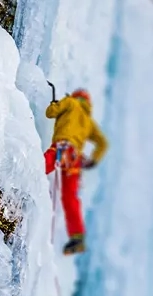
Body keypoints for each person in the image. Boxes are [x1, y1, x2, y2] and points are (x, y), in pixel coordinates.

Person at [44, 88, 108, 255]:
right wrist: (93, 160)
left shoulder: (70, 102)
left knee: (40, 166)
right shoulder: (88, 121)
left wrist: (55, 104)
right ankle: (77, 237)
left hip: (62, 148)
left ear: (76, 97)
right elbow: (102, 143)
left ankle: (20, 181)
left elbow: (50, 113)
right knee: (70, 197)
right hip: (74, 159)